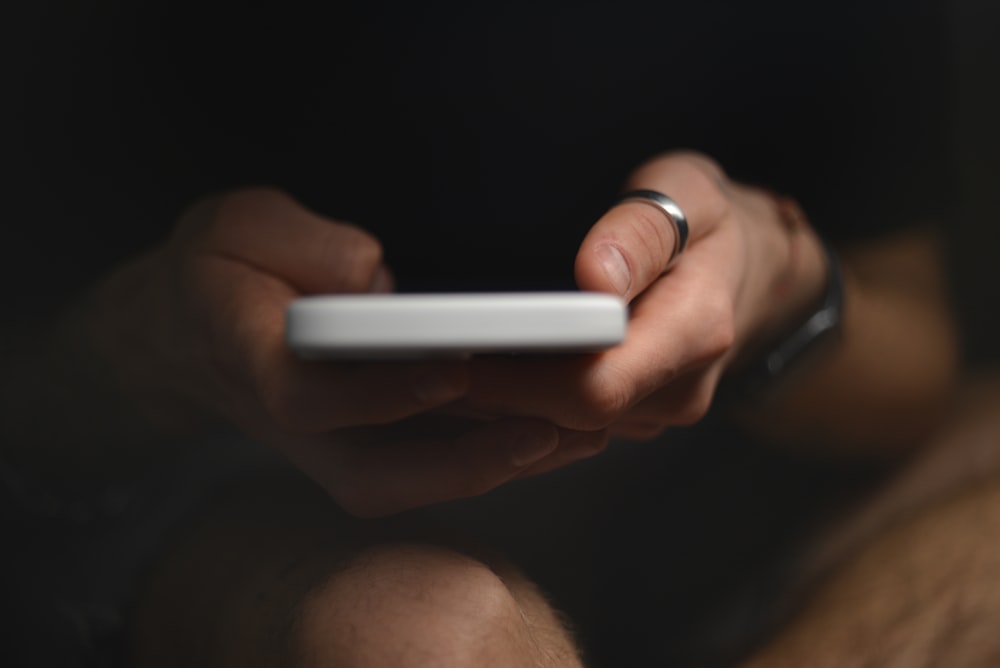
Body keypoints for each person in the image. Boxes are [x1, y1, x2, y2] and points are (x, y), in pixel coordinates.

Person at [2, 0, 997, 666]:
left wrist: (782, 285)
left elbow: (917, 364)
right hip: (230, 483)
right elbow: (37, 425)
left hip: (696, 497)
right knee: (430, 631)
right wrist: (156, 342)